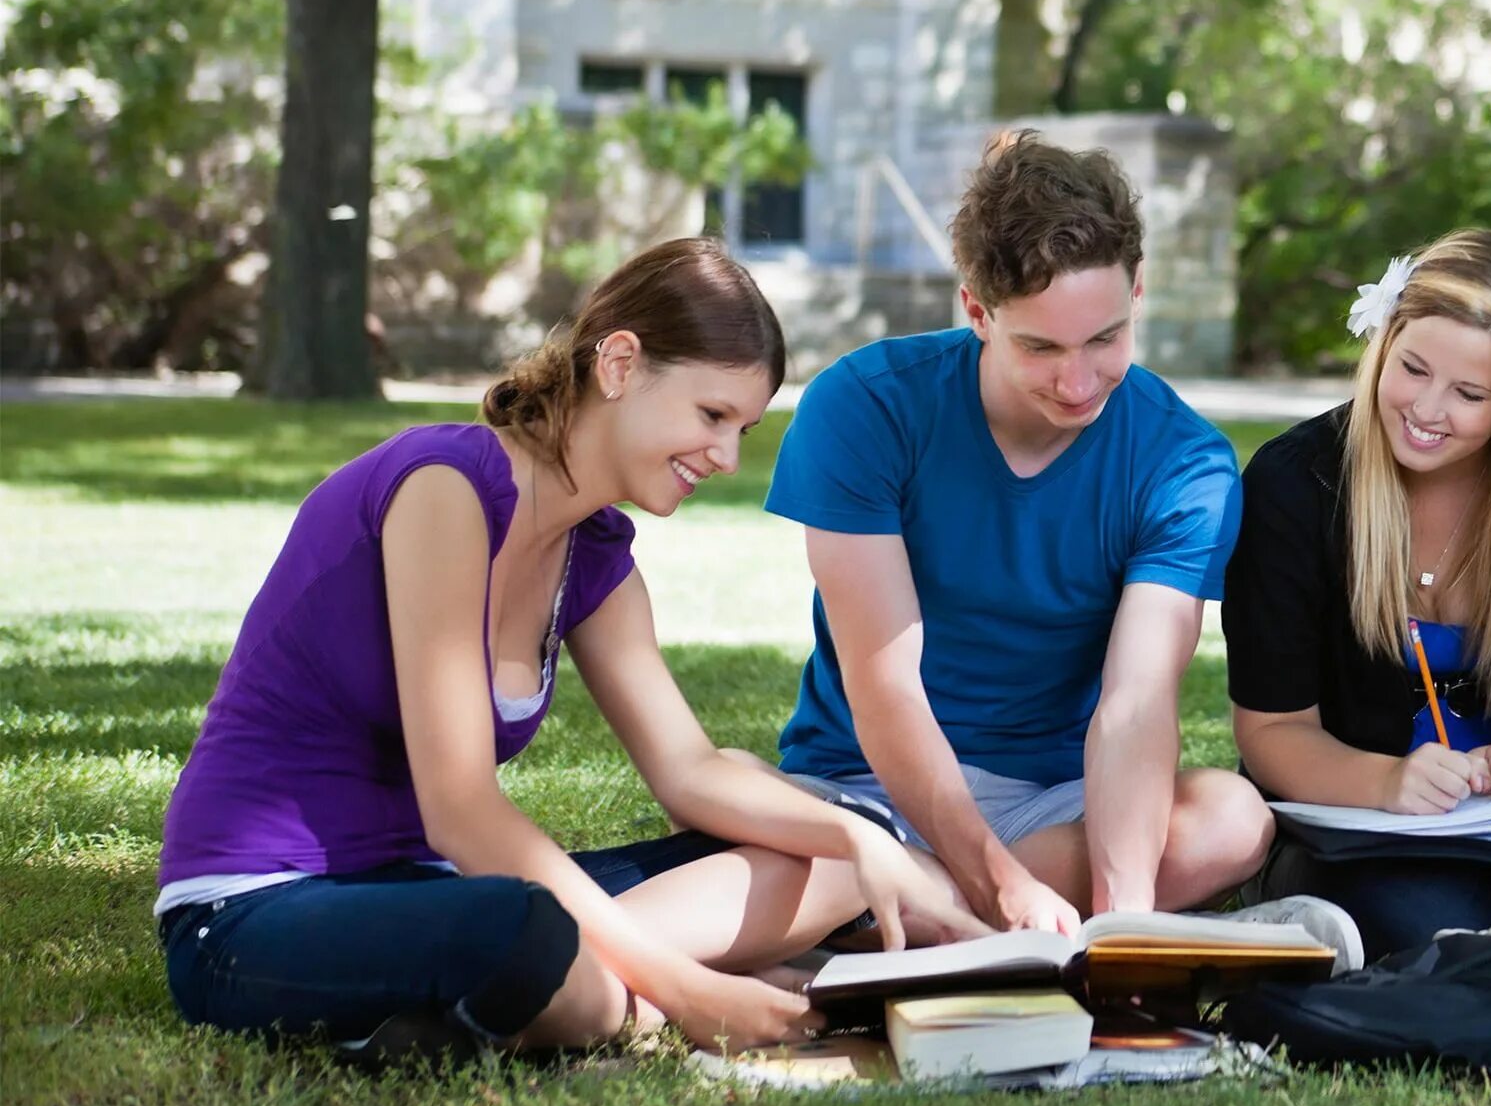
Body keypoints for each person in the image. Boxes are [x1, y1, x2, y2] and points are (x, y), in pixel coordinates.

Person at [156, 239, 975, 1063]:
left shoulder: (596, 558)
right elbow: (461, 810)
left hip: (431, 893)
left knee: (821, 860)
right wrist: (688, 991)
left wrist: (859, 838)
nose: (727, 457)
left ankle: (515, 1007)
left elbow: (689, 771)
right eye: (712, 416)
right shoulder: (444, 488)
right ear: (619, 362)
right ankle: (627, 990)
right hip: (257, 906)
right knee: (533, 939)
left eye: (744, 427)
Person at [767, 133, 1284, 939]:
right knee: (801, 857)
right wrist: (997, 880)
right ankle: (909, 910)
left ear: (1137, 291)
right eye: (1040, 347)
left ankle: (881, 923)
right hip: (868, 785)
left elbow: (1135, 707)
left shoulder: (1185, 462)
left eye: (1104, 340)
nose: (1078, 384)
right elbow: (887, 693)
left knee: (1232, 820)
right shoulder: (864, 408)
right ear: (976, 309)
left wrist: (1125, 926)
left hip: (1058, 800)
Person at [1222, 230, 1491, 971]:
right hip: (1359, 823)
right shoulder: (1296, 486)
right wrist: (1388, 782)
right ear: (1384, 342)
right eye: (1411, 368)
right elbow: (1272, 730)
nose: (1426, 409)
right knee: (1408, 901)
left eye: (1470, 395)